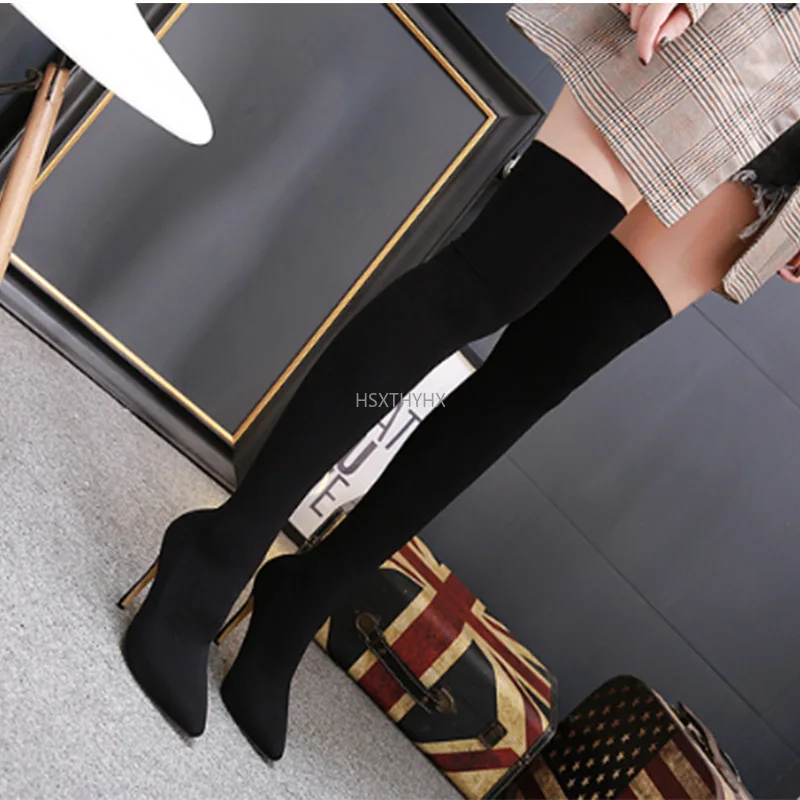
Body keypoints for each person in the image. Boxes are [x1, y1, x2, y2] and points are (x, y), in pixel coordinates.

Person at [120, 3, 800, 760]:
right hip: (730, 32)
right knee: (480, 288)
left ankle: (305, 597)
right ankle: (219, 549)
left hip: (786, 142)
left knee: (532, 381)